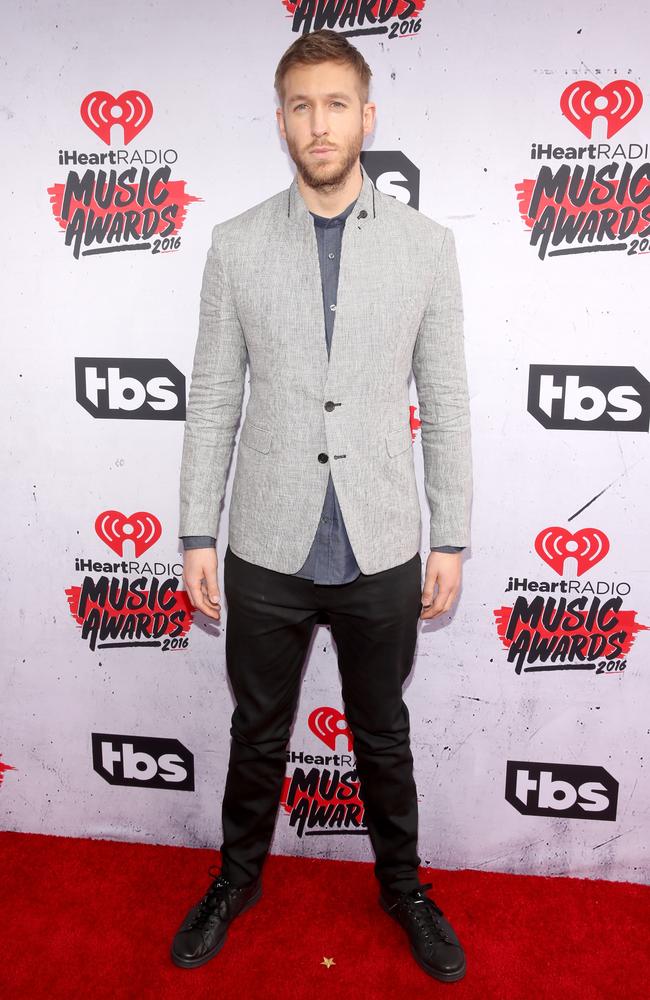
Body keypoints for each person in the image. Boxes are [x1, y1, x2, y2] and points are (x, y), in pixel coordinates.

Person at [171, 28, 472, 983]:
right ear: (281, 121)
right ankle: (236, 879)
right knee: (257, 731)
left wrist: (451, 536)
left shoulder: (428, 249)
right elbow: (213, 396)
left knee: (381, 731)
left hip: (383, 539)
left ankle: (405, 890)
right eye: (301, 105)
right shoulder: (235, 245)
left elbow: (449, 399)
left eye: (336, 103)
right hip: (265, 536)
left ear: (367, 117)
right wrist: (196, 531)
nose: (319, 122)